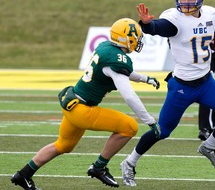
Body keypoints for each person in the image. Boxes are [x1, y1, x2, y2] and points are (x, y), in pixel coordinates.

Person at [120, 0, 215, 187]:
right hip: (182, 87)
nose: (186, 2)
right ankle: (129, 162)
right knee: (162, 131)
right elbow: (160, 27)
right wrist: (147, 24)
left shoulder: (211, 13)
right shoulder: (174, 19)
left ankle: (208, 146)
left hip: (206, 83)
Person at [11, 18, 161, 189]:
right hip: (83, 110)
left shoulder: (106, 47)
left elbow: (122, 72)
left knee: (63, 145)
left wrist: (144, 78)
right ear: (127, 38)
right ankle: (98, 167)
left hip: (72, 104)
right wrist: (150, 120)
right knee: (129, 127)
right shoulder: (117, 60)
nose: (139, 41)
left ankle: (23, 175)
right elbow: (129, 95)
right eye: (137, 37)